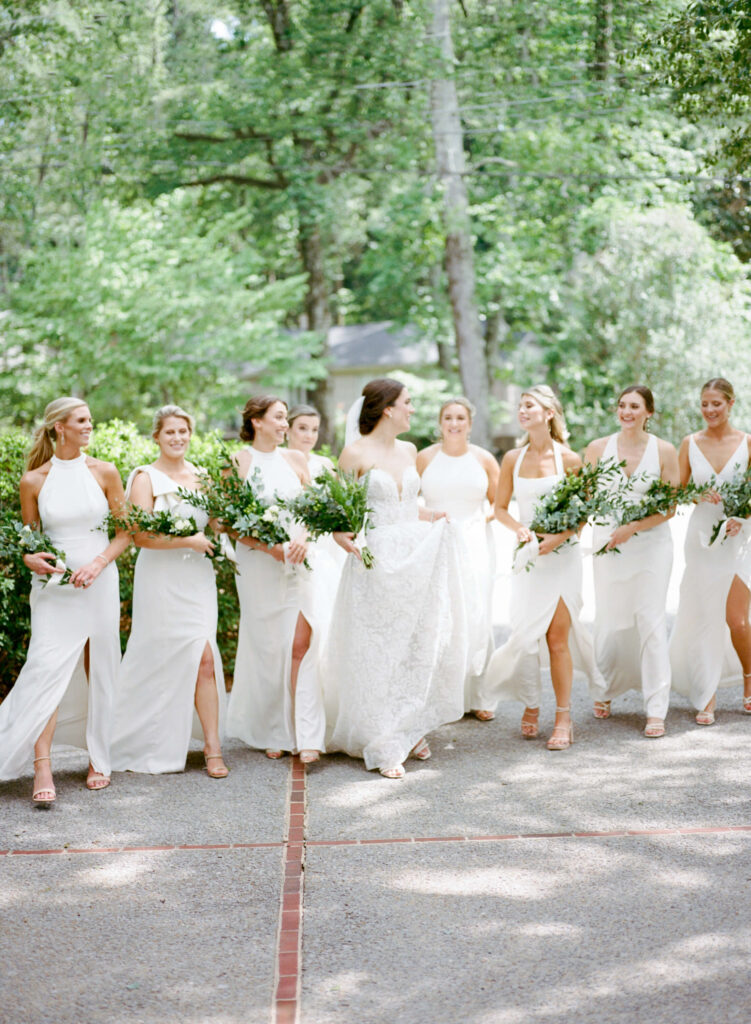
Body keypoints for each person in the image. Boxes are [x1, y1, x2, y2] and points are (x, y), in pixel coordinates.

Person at [324, 378, 469, 778]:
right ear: (387, 408)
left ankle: (405, 725)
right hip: (377, 560)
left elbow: (408, 505)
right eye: (408, 403)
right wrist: (341, 535)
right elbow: (342, 513)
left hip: (415, 558)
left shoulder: (408, 451)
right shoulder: (353, 453)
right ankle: (381, 736)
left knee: (414, 643)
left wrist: (433, 516)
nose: (413, 409)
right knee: (378, 649)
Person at [0, 397, 128, 804]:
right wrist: (30, 558)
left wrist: (98, 563)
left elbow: (126, 533)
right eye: (82, 420)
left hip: (99, 583)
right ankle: (42, 763)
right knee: (45, 668)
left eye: (90, 419)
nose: (90, 426)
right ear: (59, 427)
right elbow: (29, 540)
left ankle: (100, 757)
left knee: (101, 665)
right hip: (54, 590)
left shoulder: (105, 471)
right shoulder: (34, 480)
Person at [477, 385, 599, 750]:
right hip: (529, 557)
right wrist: (521, 531)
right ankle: (531, 702)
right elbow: (499, 508)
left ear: (548, 413)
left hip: (562, 557)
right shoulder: (513, 458)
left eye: (529, 405)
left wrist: (559, 539)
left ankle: (563, 717)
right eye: (520, 406)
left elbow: (583, 513)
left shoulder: (571, 459)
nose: (521, 410)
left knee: (556, 638)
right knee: (527, 636)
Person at [110, 405, 228, 777]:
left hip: (197, 579)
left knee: (204, 657)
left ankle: (213, 747)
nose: (177, 438)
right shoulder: (146, 478)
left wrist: (232, 505)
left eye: (183, 431)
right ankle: (141, 739)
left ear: (190, 434)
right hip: (160, 580)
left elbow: (217, 525)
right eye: (170, 432)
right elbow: (141, 537)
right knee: (157, 658)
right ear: (157, 436)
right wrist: (187, 540)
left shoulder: (204, 477)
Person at [226, 395, 325, 763]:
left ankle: (304, 728)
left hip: (299, 562)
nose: (286, 425)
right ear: (257, 422)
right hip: (258, 566)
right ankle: (272, 728)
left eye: (286, 419)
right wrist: (272, 548)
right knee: (267, 645)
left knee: (300, 643)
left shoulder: (296, 460)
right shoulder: (237, 462)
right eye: (279, 418)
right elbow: (229, 523)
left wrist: (301, 539)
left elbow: (316, 511)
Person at [584, 386, 680, 738]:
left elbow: (669, 507)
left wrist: (634, 526)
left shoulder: (665, 451)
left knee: (651, 622)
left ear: (648, 412)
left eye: (634, 406)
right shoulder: (596, 449)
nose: (627, 412)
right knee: (610, 619)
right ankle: (605, 688)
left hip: (652, 546)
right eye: (622, 406)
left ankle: (656, 707)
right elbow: (588, 497)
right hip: (608, 544)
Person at [670, 378, 751, 723]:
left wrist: (741, 518)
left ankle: (749, 681)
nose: (709, 410)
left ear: (730, 403)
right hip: (702, 539)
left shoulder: (747, 442)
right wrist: (694, 494)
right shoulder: (690, 443)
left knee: (737, 620)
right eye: (704, 404)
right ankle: (708, 692)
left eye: (716, 403)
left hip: (740, 538)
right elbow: (674, 492)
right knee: (705, 617)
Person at [417, 397, 500, 720]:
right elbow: (407, 499)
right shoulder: (424, 458)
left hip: (475, 541)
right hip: (435, 541)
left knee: (477, 613)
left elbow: (498, 504)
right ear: (440, 423)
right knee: (440, 616)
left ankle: (480, 695)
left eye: (460, 418)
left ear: (470, 422)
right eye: (448, 417)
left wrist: (482, 521)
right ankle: (441, 696)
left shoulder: (484, 459)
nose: (454, 423)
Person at [286, 404, 335, 480]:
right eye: (302, 428)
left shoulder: (326, 465)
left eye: (314, 430)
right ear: (287, 430)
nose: (309, 436)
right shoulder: (278, 463)